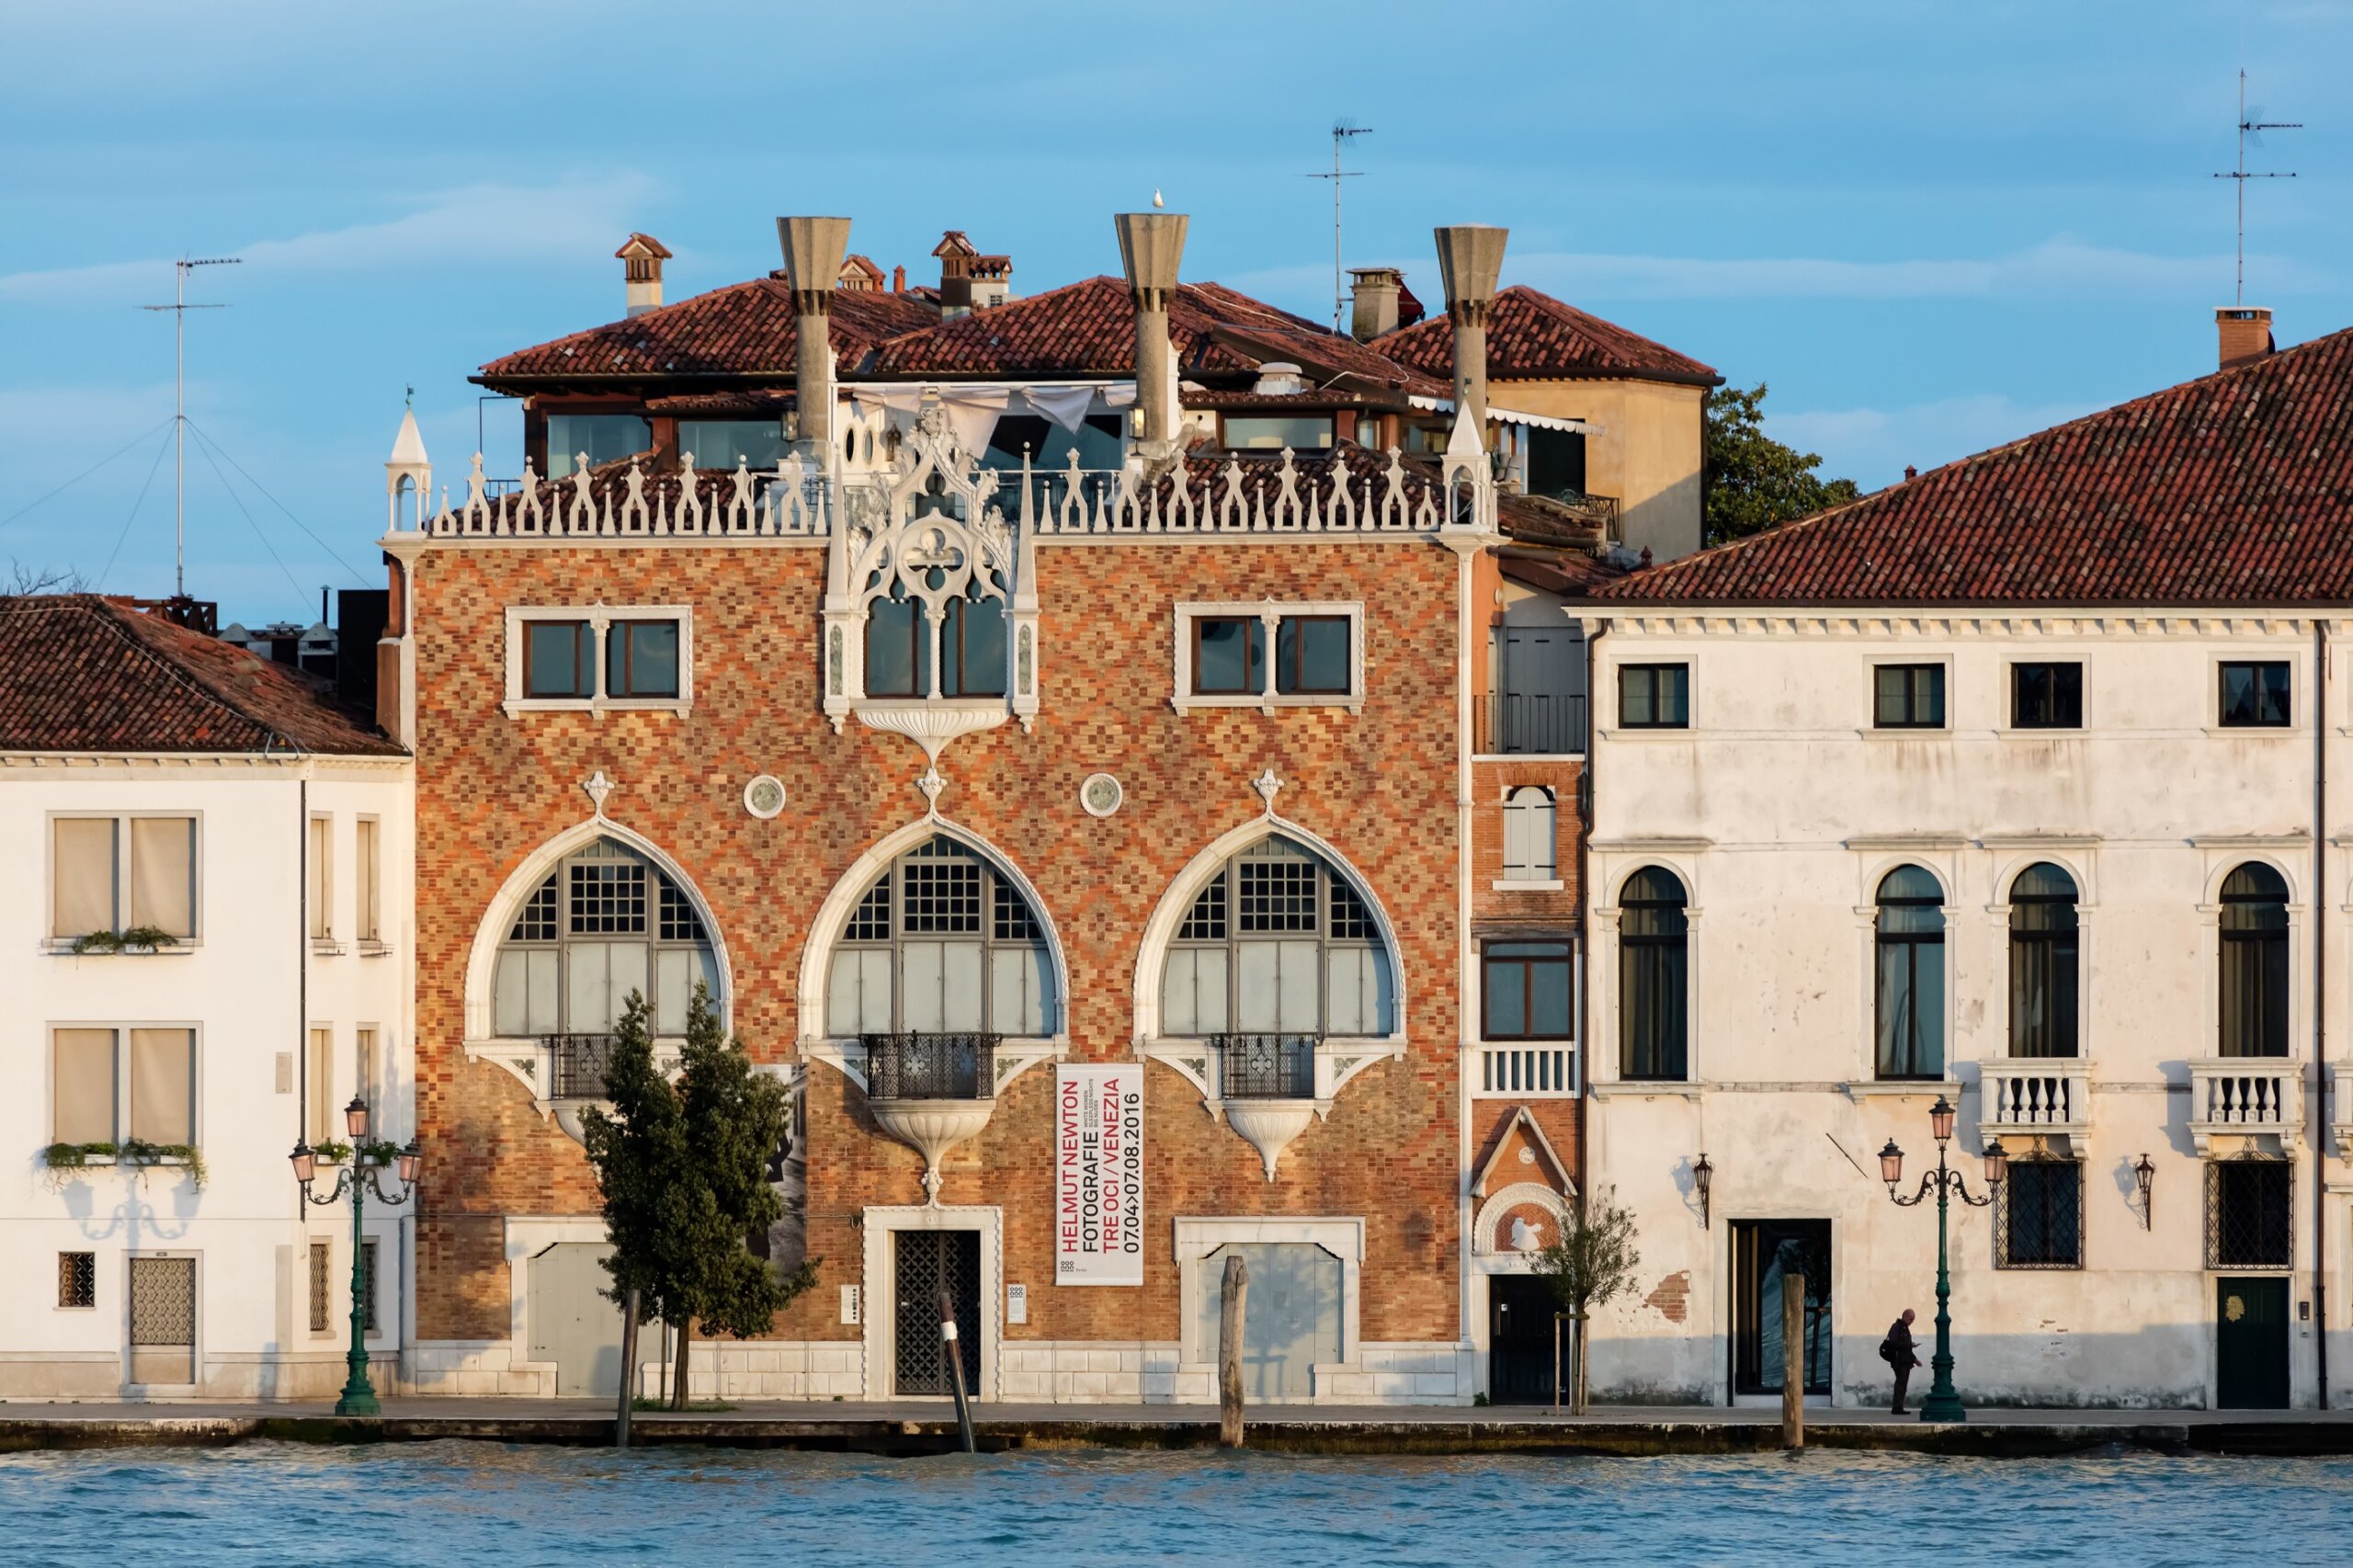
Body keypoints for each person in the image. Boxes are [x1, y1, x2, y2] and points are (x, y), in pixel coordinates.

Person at [1879, 1308, 1921, 1415]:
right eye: (1911, 1319)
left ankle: (1899, 1406)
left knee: (1903, 1384)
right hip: (1899, 1361)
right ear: (1905, 1317)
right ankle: (1897, 1407)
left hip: (1905, 1361)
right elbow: (1894, 1343)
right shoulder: (1897, 1327)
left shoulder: (1904, 1328)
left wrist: (1915, 1359)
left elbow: (1906, 1349)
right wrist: (1910, 1345)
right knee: (1900, 1384)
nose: (1912, 1321)